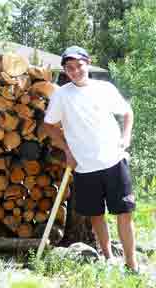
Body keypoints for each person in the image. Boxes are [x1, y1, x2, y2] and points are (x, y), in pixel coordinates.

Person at [43, 46, 138, 272]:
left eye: (79, 66)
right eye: (70, 68)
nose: (75, 71)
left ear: (88, 63)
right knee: (96, 216)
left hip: (114, 161)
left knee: (124, 213)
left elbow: (127, 113)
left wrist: (126, 138)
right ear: (65, 70)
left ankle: (131, 265)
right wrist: (67, 150)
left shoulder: (104, 88)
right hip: (85, 167)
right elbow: (48, 125)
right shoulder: (61, 95)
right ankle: (108, 259)